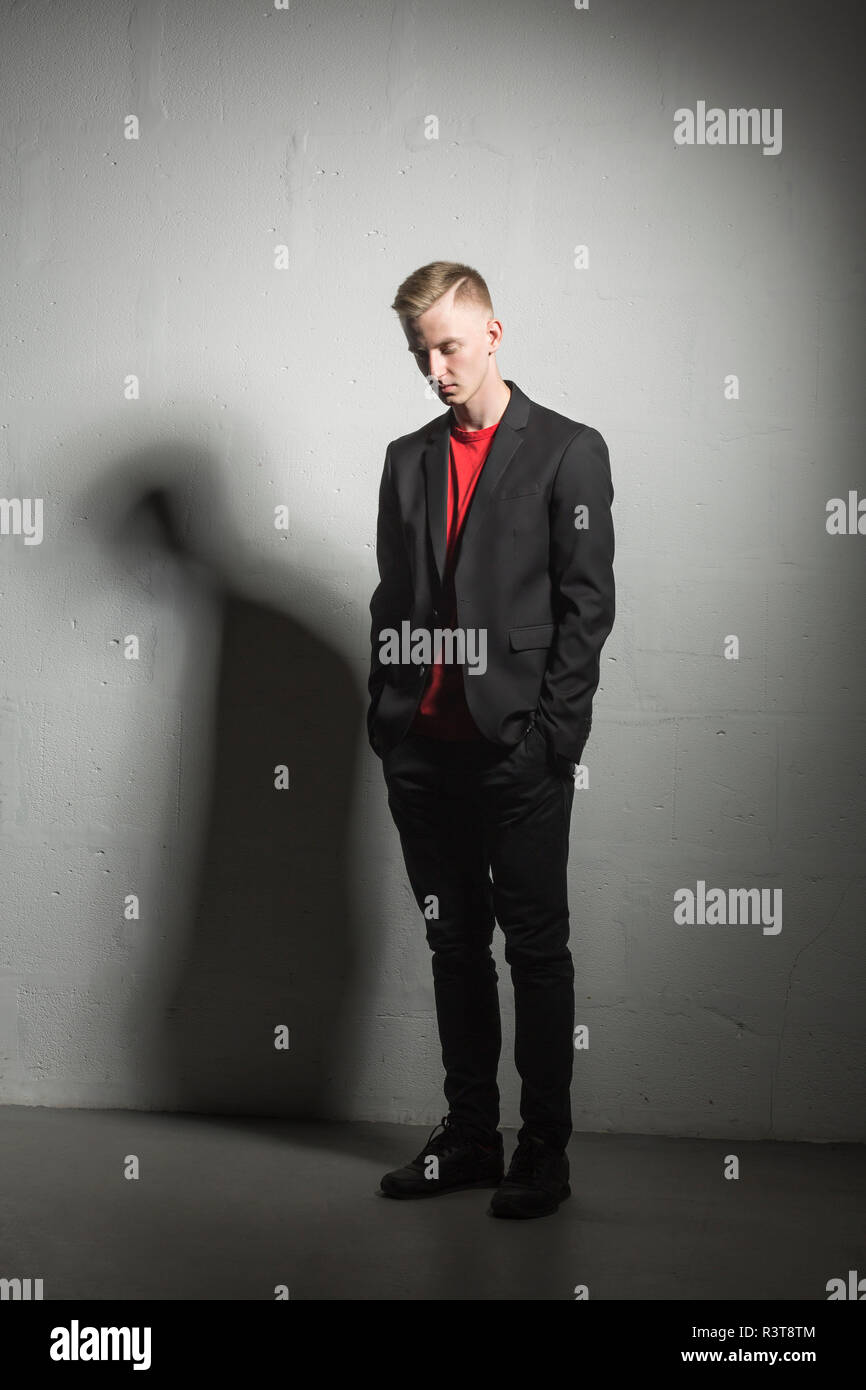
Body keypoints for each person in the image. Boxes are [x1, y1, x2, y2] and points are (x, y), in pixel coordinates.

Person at [367, 261, 615, 1218]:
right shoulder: (405, 458)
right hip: (420, 753)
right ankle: (469, 1136)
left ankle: (542, 1150)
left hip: (518, 751)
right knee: (452, 946)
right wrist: (386, 720)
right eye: (419, 352)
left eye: (449, 346)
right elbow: (393, 597)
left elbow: (586, 607)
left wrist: (555, 740)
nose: (435, 369)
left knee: (537, 952)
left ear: (494, 334)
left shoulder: (568, 451)